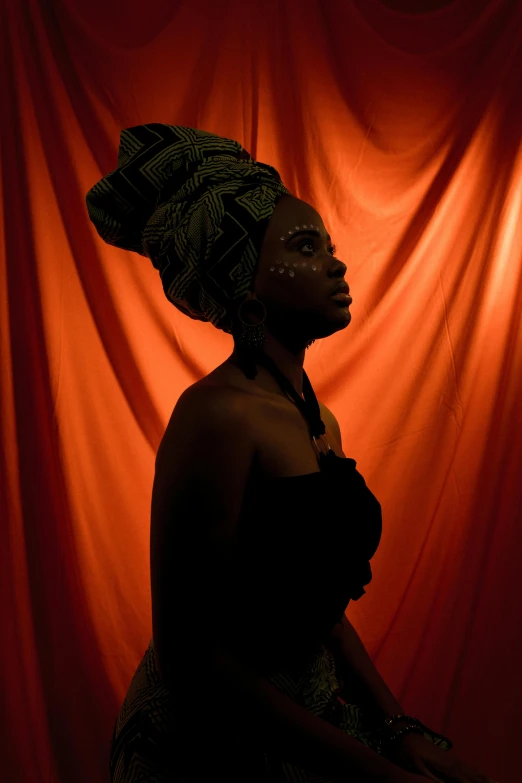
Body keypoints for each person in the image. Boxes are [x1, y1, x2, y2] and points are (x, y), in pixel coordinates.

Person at [86, 124, 497, 783]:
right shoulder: (216, 417)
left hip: (311, 714)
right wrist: (375, 770)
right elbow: (192, 661)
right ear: (245, 288)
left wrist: (397, 730)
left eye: (328, 246)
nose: (334, 264)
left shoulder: (314, 415)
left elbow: (319, 613)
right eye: (305, 248)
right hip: (208, 744)